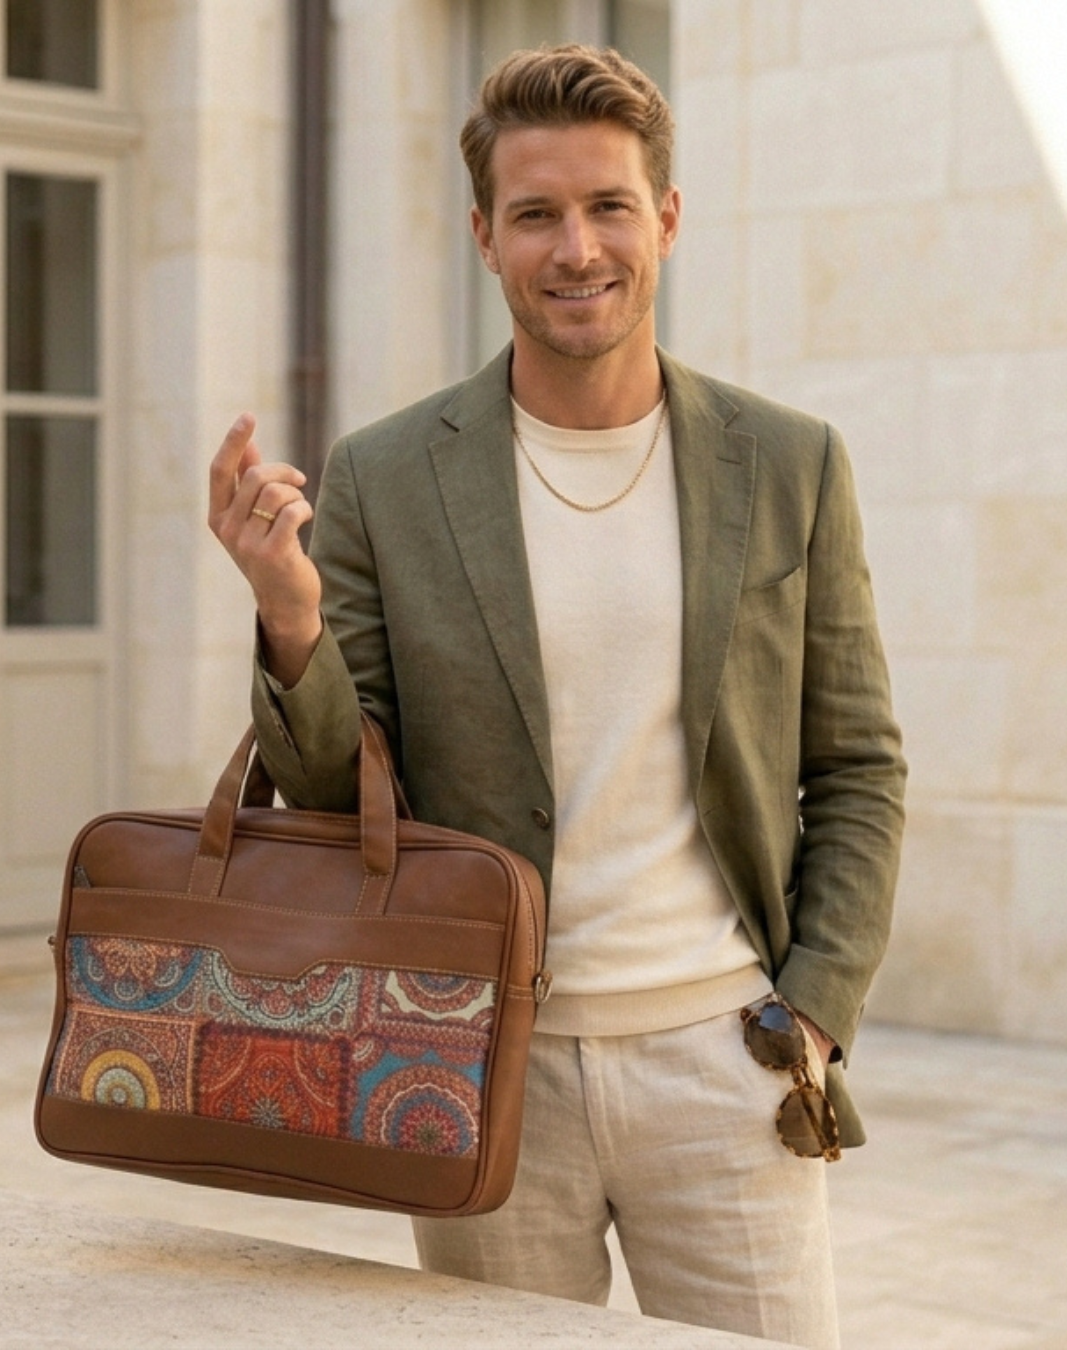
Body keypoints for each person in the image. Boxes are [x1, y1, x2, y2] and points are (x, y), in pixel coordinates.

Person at [208, 43, 905, 1350]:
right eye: (535, 213)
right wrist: (291, 618)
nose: (576, 248)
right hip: (479, 1062)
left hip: (730, 1060)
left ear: (668, 219)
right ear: (485, 236)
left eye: (608, 206)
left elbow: (858, 762)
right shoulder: (388, 476)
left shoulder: (789, 463)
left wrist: (813, 1006)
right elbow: (334, 794)